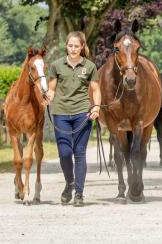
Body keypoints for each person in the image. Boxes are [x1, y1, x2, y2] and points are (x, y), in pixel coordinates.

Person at [42, 31, 101, 206]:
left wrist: (96, 107)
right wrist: (47, 98)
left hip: (82, 113)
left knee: (80, 153)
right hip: (61, 113)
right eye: (70, 45)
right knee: (65, 153)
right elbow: (52, 89)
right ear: (66, 46)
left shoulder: (89, 66)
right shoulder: (56, 65)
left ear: (82, 47)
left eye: (76, 46)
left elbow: (96, 90)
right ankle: (70, 183)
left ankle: (79, 194)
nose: (73, 49)